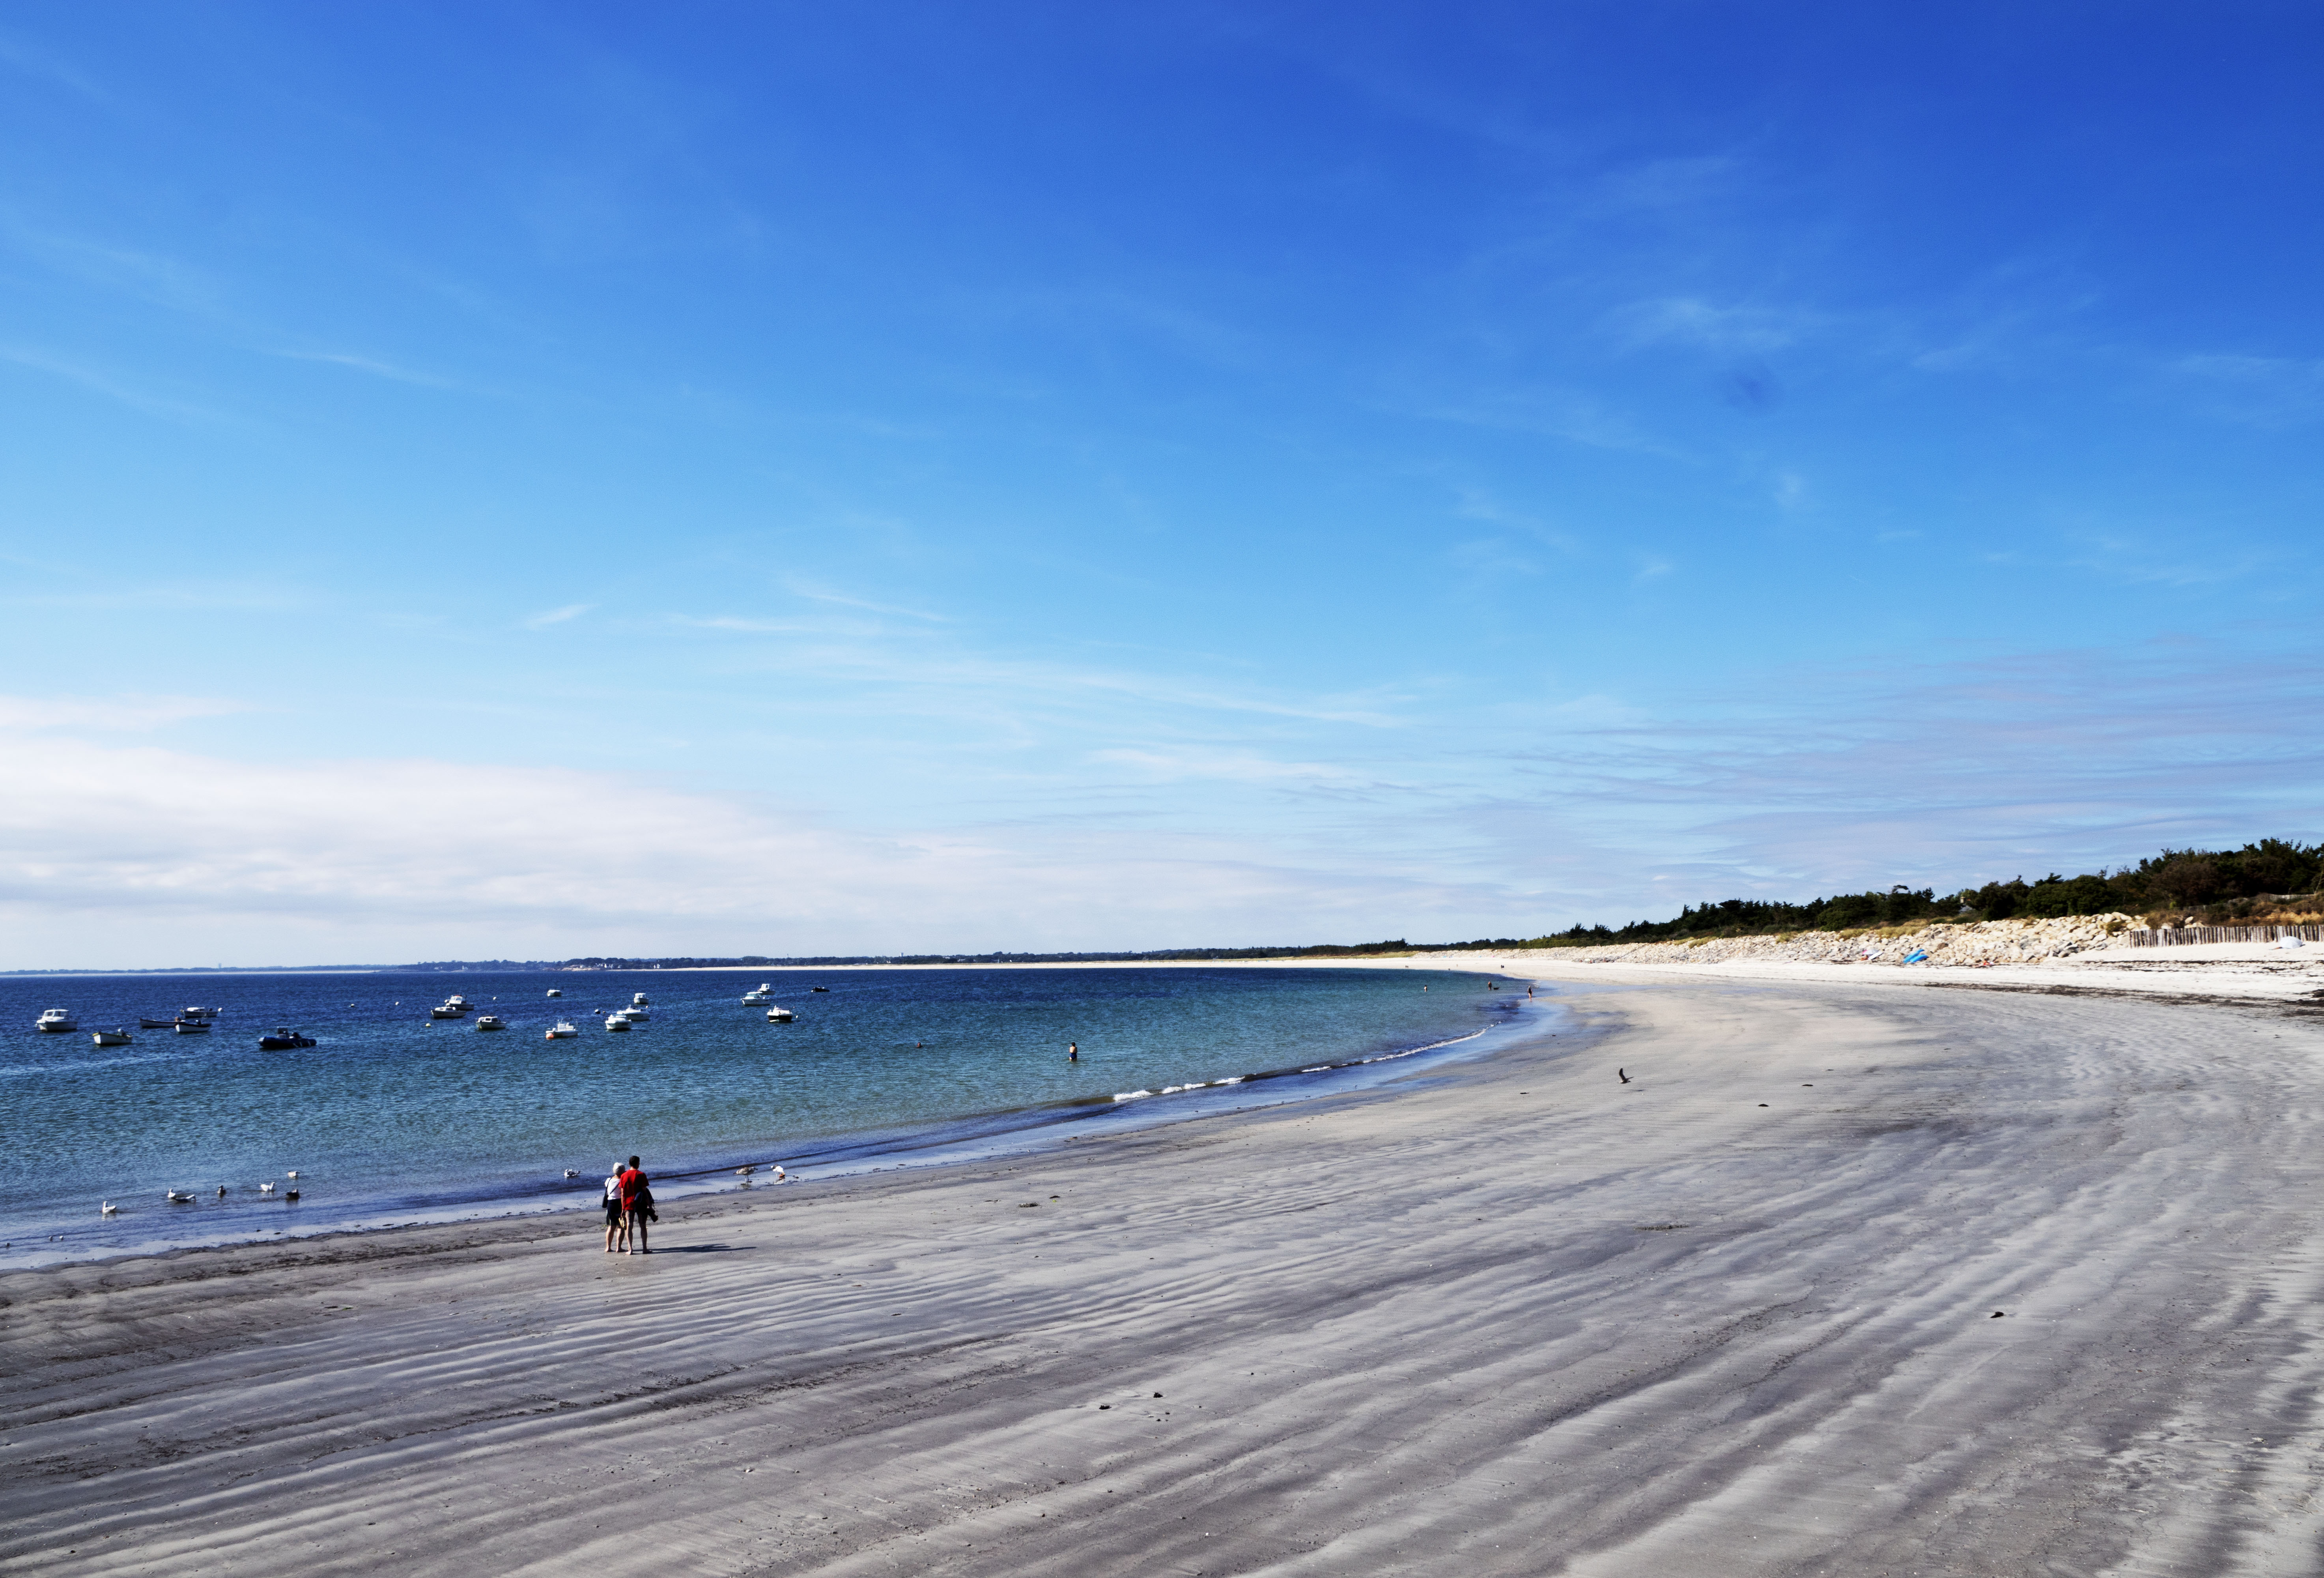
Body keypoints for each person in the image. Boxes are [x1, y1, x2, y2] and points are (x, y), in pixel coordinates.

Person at [619, 1155, 654, 1255]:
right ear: (637, 1163)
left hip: (628, 1204)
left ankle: (630, 1249)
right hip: (641, 1203)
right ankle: (645, 1248)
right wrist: (650, 1206)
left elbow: (623, 1194)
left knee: (629, 1225)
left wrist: (622, 1208)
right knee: (643, 1225)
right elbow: (645, 1192)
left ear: (630, 1164)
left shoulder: (624, 1176)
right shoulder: (641, 1175)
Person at [602, 1163, 628, 1253]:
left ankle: (608, 1247)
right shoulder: (623, 1180)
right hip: (620, 1203)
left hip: (611, 1204)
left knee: (611, 1226)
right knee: (621, 1226)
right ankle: (619, 1247)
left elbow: (607, 1187)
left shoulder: (609, 1180)